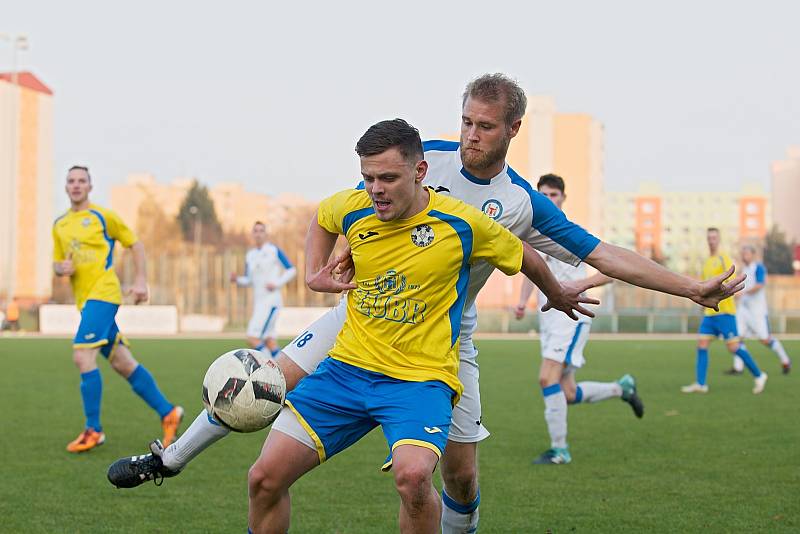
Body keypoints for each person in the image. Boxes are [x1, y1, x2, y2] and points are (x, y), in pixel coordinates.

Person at [108, 74, 743, 533]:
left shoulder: (519, 205)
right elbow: (347, 207)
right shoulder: (420, 159)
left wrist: (689, 288)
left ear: (512, 130)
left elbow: (601, 252)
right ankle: (169, 458)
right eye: (465, 120)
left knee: (457, 476)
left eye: (485, 126)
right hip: (361, 317)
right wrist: (330, 263)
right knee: (262, 379)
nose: (469, 136)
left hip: (444, 342)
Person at [251, 118, 601, 533]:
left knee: (415, 478)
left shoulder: (463, 223)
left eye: (387, 178)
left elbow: (525, 254)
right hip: (346, 371)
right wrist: (313, 272)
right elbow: (323, 218)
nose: (375, 189)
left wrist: (556, 294)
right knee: (263, 478)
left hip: (420, 381)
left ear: (420, 172)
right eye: (367, 177)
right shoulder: (355, 205)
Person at [515, 174, 643, 466]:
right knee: (567, 392)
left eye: (553, 195)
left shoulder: (567, 233)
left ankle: (559, 450)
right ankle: (621, 388)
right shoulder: (532, 232)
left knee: (546, 378)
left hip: (570, 318)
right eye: (543, 195)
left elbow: (613, 270)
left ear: (563, 198)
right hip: (549, 320)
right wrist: (522, 302)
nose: (548, 200)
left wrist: (582, 286)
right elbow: (531, 269)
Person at [53, 165, 183, 453]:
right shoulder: (59, 225)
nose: (76, 185)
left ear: (90, 186)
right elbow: (58, 263)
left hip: (105, 294)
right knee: (122, 362)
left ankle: (93, 430)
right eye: (71, 181)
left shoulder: (103, 216)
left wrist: (140, 281)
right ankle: (168, 412)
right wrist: (60, 268)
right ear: (65, 187)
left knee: (81, 356)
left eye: (81, 181)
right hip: (85, 301)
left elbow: (135, 244)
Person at [682, 228, 767, 394]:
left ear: (718, 240)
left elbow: (731, 282)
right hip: (710, 314)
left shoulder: (724, 259)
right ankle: (701, 384)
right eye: (709, 238)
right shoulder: (707, 262)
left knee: (734, 347)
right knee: (702, 344)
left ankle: (759, 375)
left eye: (714, 238)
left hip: (725, 312)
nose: (711, 240)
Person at [230, 221, 297, 355]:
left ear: (266, 234)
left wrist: (277, 283)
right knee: (269, 341)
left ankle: (269, 371)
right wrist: (236, 279)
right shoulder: (250, 255)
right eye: (256, 231)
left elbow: (292, 270)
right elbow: (249, 279)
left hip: (271, 301)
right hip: (259, 303)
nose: (258, 233)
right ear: (252, 234)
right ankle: (282, 370)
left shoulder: (273, 250)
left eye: (261, 230)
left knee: (252, 337)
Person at [726, 245, 791, 374]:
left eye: (746, 253)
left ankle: (785, 360)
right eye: (743, 253)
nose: (744, 255)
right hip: (744, 310)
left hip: (757, 311)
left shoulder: (758, 268)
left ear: (752, 255)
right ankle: (738, 367)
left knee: (765, 339)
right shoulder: (744, 269)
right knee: (737, 338)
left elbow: (760, 285)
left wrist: (743, 293)